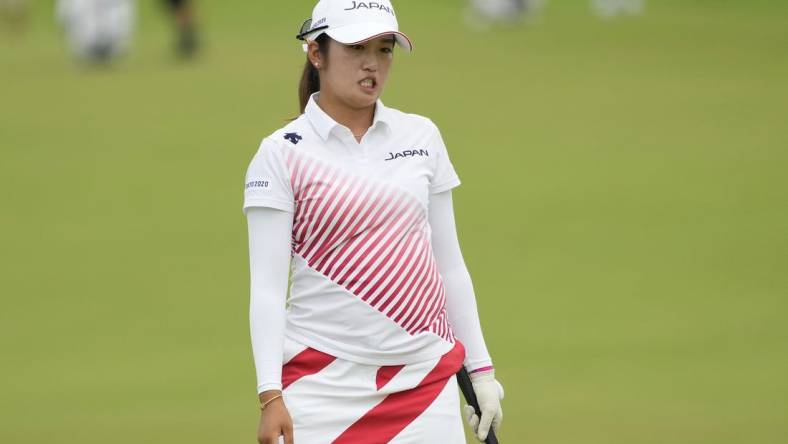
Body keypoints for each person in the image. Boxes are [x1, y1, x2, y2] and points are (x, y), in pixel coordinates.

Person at [243, 1, 504, 442]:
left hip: (424, 381)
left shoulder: (421, 136)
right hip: (322, 382)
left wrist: (480, 370)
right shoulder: (280, 153)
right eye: (356, 48)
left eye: (384, 49)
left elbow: (449, 265)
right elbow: (267, 289)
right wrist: (271, 395)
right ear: (316, 53)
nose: (373, 64)